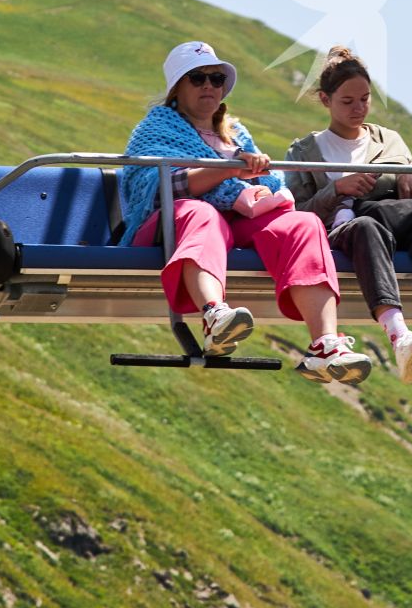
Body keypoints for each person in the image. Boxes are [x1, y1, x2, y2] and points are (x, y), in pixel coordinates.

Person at [118, 40, 372, 385]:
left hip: (237, 220)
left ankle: (325, 344)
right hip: (174, 225)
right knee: (201, 213)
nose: (209, 85)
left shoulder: (236, 134)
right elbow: (160, 188)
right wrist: (230, 169)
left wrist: (258, 183)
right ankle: (213, 315)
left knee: (303, 223)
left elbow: (269, 180)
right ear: (177, 88)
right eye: (197, 78)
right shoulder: (155, 130)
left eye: (216, 78)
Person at [284, 47, 412, 387]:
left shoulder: (390, 140)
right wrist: (337, 190)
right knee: (366, 227)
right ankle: (399, 335)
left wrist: (406, 178)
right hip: (346, 228)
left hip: (399, 221)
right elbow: (299, 214)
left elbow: (410, 185)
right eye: (347, 102)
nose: (358, 109)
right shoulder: (304, 151)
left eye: (365, 99)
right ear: (325, 100)